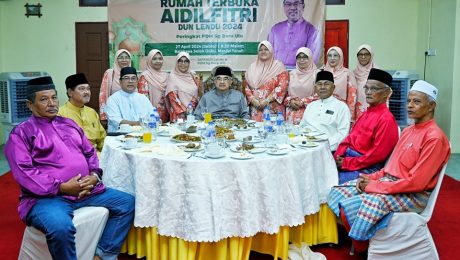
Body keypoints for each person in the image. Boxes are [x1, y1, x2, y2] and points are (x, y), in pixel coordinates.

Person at [4, 76, 135, 260]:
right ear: (30, 105)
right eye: (43, 99)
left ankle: (103, 255)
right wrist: (61, 187)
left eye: (54, 97)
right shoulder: (22, 133)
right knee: (60, 228)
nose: (51, 103)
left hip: (86, 191)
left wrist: (95, 175)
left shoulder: (68, 124)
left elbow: (90, 153)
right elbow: (24, 173)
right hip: (47, 198)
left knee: (127, 203)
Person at [327, 80, 450, 252]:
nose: (410, 105)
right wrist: (369, 178)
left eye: (417, 101)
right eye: (408, 101)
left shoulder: (434, 138)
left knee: (362, 203)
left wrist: (376, 186)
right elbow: (388, 168)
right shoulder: (408, 131)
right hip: (390, 183)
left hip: (413, 194)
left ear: (431, 106)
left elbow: (417, 183)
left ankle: (364, 246)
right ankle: (366, 237)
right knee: (339, 191)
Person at [334, 68, 399, 184]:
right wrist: (339, 154)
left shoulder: (386, 119)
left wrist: (346, 163)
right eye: (366, 88)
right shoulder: (366, 113)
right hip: (350, 160)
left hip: (368, 168)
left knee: (329, 181)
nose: (368, 92)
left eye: (373, 88)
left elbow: (376, 156)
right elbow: (349, 138)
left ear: (386, 93)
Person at [299, 70, 350, 151]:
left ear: (333, 87)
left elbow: (343, 133)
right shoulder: (310, 106)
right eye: (319, 84)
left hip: (328, 149)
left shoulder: (341, 107)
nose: (322, 87)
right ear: (315, 88)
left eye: (326, 84)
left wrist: (325, 146)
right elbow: (302, 127)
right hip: (306, 147)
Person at [59, 73, 106, 152]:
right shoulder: (60, 114)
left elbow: (102, 138)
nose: (86, 92)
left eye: (88, 89)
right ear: (70, 92)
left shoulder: (92, 112)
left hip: (96, 155)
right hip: (73, 157)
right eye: (82, 89)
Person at [268, 0, 321, 68]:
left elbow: (313, 59)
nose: (292, 7)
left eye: (296, 4)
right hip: (276, 73)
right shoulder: (275, 29)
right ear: (284, 7)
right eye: (288, 4)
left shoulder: (311, 30)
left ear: (303, 6)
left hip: (300, 74)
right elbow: (268, 55)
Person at [245, 41, 289, 121]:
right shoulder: (252, 67)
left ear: (271, 51)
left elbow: (282, 87)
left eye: (266, 49)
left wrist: (266, 101)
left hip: (273, 108)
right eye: (260, 50)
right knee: (255, 131)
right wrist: (253, 100)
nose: (263, 52)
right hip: (256, 107)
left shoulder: (279, 66)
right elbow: (247, 87)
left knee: (273, 131)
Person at [105, 66, 154, 133]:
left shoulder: (143, 98)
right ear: (120, 82)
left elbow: (152, 115)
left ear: (137, 82)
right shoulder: (113, 99)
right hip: (119, 136)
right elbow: (115, 120)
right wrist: (137, 123)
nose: (130, 81)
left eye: (133, 78)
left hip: (142, 135)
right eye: (126, 78)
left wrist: (155, 120)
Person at [323, 46, 359, 121]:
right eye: (329, 55)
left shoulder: (347, 73)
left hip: (341, 110)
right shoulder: (322, 73)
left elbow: (352, 97)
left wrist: (350, 117)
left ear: (341, 57)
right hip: (324, 109)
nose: (332, 58)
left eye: (335, 55)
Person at [284, 47, 318, 125]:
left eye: (305, 57)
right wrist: (290, 101)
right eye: (299, 57)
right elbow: (284, 94)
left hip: (309, 112)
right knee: (291, 136)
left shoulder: (316, 74)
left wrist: (302, 102)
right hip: (291, 113)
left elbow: (319, 95)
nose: (301, 60)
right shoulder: (291, 74)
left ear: (310, 58)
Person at [165, 51, 201, 122]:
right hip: (179, 115)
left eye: (186, 61)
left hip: (193, 112)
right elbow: (173, 97)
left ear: (189, 63)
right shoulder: (172, 76)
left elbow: (197, 93)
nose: (183, 64)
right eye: (180, 61)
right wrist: (184, 111)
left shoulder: (193, 75)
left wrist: (191, 109)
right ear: (177, 63)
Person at [137, 49, 170, 123]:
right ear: (149, 61)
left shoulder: (167, 76)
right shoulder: (145, 76)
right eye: (154, 59)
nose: (158, 61)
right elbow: (143, 99)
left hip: (167, 115)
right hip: (151, 115)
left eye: (160, 59)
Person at [99, 49, 132, 121]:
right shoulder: (110, 73)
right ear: (116, 59)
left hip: (130, 113)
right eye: (121, 57)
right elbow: (103, 94)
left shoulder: (132, 74)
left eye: (127, 57)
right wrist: (103, 115)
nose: (124, 60)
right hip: (114, 111)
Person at [353, 44, 379, 117]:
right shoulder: (353, 73)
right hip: (358, 110)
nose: (363, 57)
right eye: (360, 54)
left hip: (374, 110)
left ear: (371, 56)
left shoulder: (377, 73)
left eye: (366, 54)